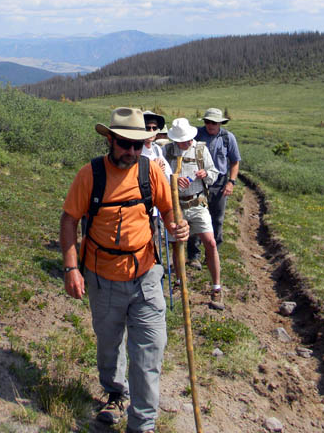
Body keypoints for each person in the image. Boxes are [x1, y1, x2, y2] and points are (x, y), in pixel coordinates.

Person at [60, 107, 189, 433]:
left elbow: (169, 211)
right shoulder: (90, 175)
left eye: (137, 145)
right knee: (109, 343)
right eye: (124, 143)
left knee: (150, 350)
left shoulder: (150, 172)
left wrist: (179, 226)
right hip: (102, 278)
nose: (131, 151)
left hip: (146, 276)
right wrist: (71, 268)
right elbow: (69, 220)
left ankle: (142, 425)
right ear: (110, 140)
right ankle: (116, 394)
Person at [163, 118, 224, 310]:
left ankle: (216, 287)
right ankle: (180, 283)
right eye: (182, 141)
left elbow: (213, 172)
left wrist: (206, 174)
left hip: (197, 203)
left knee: (211, 242)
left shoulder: (200, 149)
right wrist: (174, 181)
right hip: (175, 205)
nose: (186, 143)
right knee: (176, 245)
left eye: (188, 139)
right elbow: (160, 177)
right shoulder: (167, 151)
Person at [187, 107, 241, 269]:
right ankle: (193, 255)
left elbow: (235, 161)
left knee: (217, 219)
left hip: (219, 184)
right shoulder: (195, 135)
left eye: (214, 123)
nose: (210, 125)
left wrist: (231, 182)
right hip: (198, 183)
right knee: (195, 219)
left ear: (220, 123)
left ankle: (212, 254)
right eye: (208, 122)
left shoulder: (228, 138)